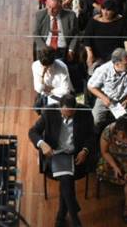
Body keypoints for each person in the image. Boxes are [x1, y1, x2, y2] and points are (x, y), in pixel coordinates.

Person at [29, 94, 96, 227]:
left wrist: (85, 150)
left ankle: (61, 216)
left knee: (66, 180)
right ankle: (74, 218)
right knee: (66, 178)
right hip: (55, 154)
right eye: (65, 114)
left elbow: (92, 136)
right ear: (59, 108)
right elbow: (33, 132)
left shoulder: (85, 113)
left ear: (76, 108)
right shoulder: (49, 112)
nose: (67, 118)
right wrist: (42, 144)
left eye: (71, 115)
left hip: (75, 155)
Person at [97, 116, 127, 221]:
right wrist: (115, 167)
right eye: (120, 133)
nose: (122, 136)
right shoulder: (108, 131)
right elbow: (104, 152)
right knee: (103, 169)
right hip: (112, 158)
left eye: (125, 134)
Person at [86, 47, 127, 127]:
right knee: (96, 120)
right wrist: (104, 98)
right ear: (117, 64)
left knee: (126, 123)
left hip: (124, 99)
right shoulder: (104, 70)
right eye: (126, 64)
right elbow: (91, 86)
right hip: (105, 96)